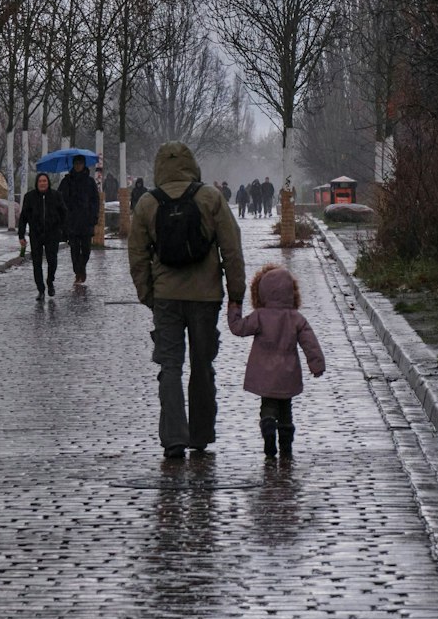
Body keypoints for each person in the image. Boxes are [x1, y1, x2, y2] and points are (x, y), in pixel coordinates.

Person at [129, 141, 246, 460]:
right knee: (202, 364)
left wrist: (148, 294)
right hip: (206, 297)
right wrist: (236, 294)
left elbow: (137, 255)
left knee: (169, 366)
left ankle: (173, 438)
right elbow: (232, 249)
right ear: (192, 164)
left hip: (166, 296)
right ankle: (200, 433)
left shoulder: (147, 203)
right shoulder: (211, 197)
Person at [228, 264, 326, 457]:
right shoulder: (296, 318)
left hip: (265, 374)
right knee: (286, 409)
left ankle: (269, 430)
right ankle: (286, 446)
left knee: (268, 406)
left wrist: (234, 307)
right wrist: (317, 364)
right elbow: (310, 343)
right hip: (288, 374)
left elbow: (238, 328)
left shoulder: (260, 316)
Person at [18, 171, 66, 299]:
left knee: (52, 260)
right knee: (37, 263)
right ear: (36, 183)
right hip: (36, 234)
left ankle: (50, 282)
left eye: (45, 181)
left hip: (52, 234)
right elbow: (23, 217)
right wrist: (21, 235)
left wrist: (62, 229)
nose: (42, 183)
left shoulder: (56, 195)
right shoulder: (29, 197)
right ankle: (41, 290)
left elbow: (64, 214)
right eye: (40, 181)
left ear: (48, 182)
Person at [58, 154, 101, 286]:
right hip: (71, 222)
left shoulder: (90, 182)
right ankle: (78, 272)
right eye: (76, 164)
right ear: (73, 165)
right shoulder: (66, 181)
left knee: (86, 249)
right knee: (74, 249)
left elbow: (95, 200)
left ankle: (82, 268)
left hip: (86, 221)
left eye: (80, 164)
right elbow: (59, 199)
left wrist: (93, 216)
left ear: (83, 165)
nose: (78, 166)